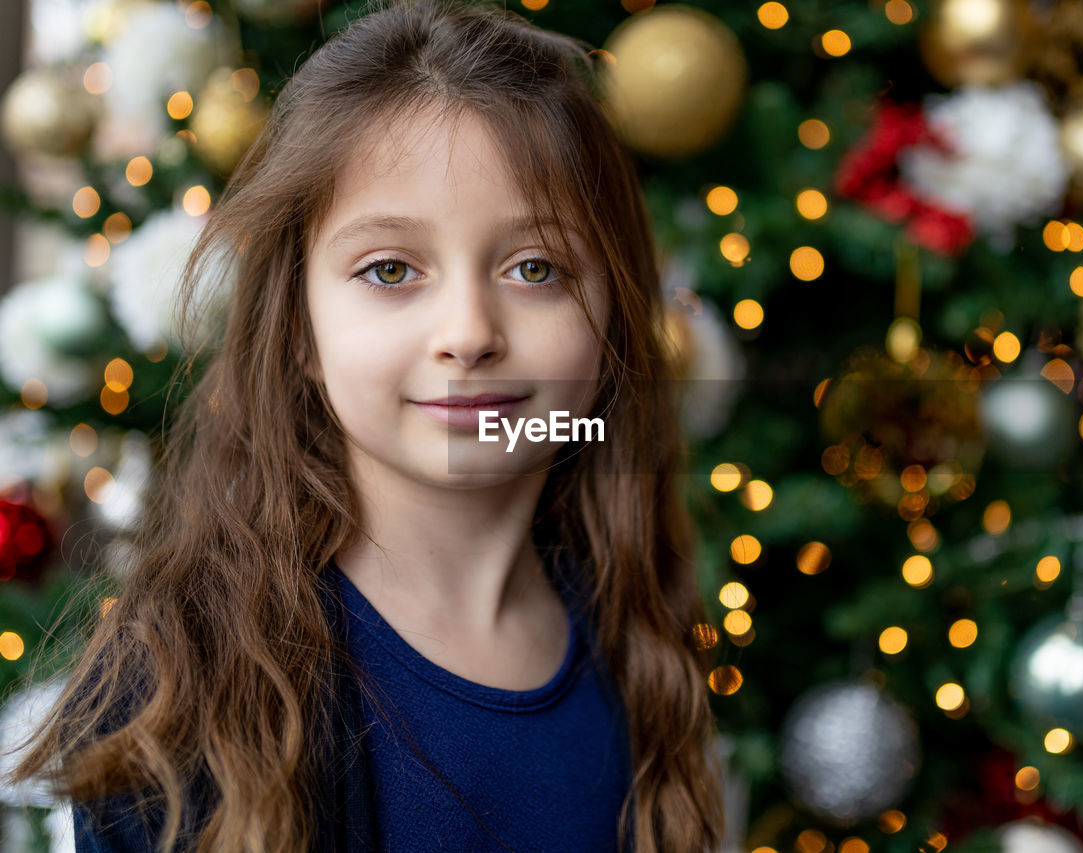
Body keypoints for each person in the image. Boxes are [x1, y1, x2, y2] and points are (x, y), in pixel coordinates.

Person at [3, 1, 726, 850]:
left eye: (536, 267)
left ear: (611, 317)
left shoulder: (637, 641)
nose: (468, 333)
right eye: (390, 269)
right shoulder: (179, 698)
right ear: (300, 329)